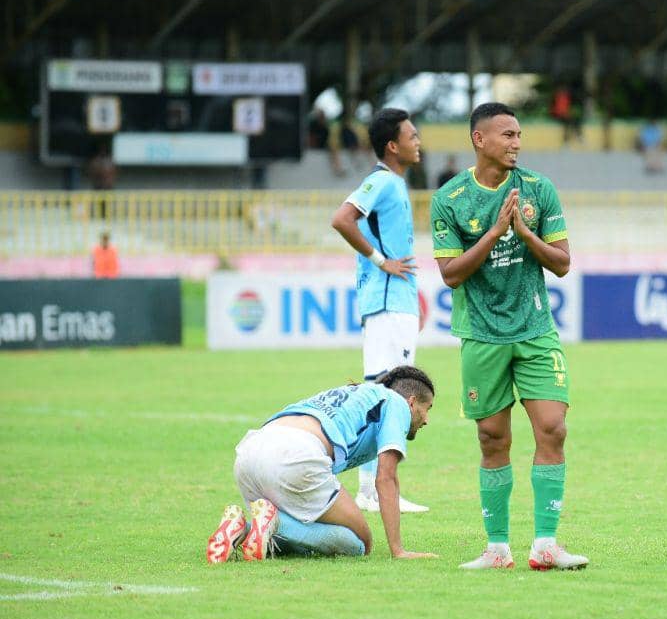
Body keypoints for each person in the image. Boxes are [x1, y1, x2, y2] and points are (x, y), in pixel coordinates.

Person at [431, 102, 588, 571]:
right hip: (481, 334)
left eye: (519, 134)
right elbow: (450, 275)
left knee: (553, 428)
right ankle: (497, 549)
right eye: (508, 135)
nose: (517, 143)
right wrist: (495, 231)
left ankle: (546, 545)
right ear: (480, 140)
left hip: (535, 328)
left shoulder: (539, 190)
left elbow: (561, 263)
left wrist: (523, 233)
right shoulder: (451, 198)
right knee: (492, 438)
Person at [205, 366, 439, 563]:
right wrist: (398, 550)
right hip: (295, 455)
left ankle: (242, 529)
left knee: (295, 522)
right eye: (427, 409)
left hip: (250, 452)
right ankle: (277, 524)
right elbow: (386, 478)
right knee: (359, 543)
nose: (427, 420)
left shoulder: (357, 393)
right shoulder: (396, 403)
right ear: (411, 402)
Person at [330, 108, 429, 514]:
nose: (418, 140)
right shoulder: (383, 181)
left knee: (381, 393)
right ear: (393, 145)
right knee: (393, 394)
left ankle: (372, 490)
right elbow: (342, 219)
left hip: (392, 303)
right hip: (389, 301)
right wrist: (379, 259)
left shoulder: (395, 184)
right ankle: (376, 490)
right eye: (412, 135)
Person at [87, 143, 117, 220]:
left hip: (103, 185)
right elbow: (92, 173)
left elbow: (114, 173)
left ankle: (104, 215)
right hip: (100, 185)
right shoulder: (98, 161)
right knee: (100, 202)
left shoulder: (108, 161)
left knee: (105, 202)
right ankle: (101, 215)